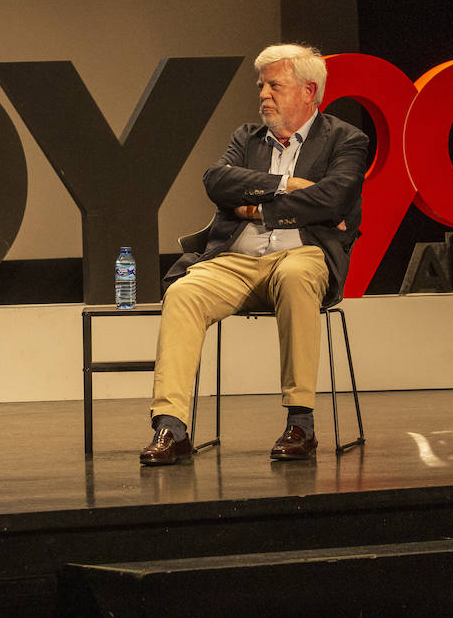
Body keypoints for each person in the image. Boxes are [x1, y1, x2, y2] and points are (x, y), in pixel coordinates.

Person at [141, 43, 367, 464]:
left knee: (298, 277)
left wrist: (256, 206)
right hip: (235, 260)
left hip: (302, 255)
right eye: (261, 85)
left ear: (308, 91)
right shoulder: (246, 137)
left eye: (274, 85)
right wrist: (287, 185)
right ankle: (171, 428)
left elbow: (334, 199)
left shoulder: (346, 139)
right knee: (184, 293)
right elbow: (217, 182)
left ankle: (301, 423)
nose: (263, 93)